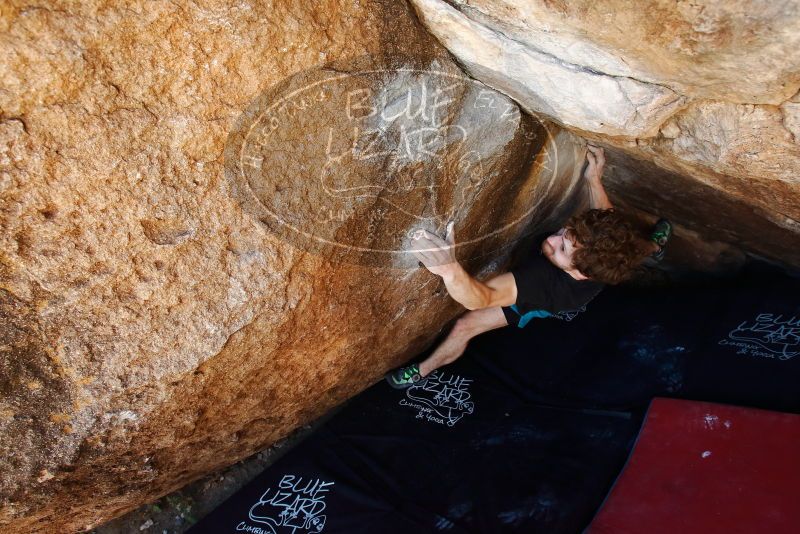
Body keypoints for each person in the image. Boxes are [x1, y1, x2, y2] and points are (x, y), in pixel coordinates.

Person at [385, 145, 673, 388]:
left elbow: (480, 298)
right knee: (630, 246)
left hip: (543, 301)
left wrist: (449, 269)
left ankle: (422, 370)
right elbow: (605, 217)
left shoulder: (542, 284)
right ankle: (655, 248)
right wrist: (592, 179)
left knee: (464, 326)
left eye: (561, 248)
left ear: (578, 271)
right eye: (564, 232)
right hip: (600, 263)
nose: (552, 238)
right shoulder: (598, 250)